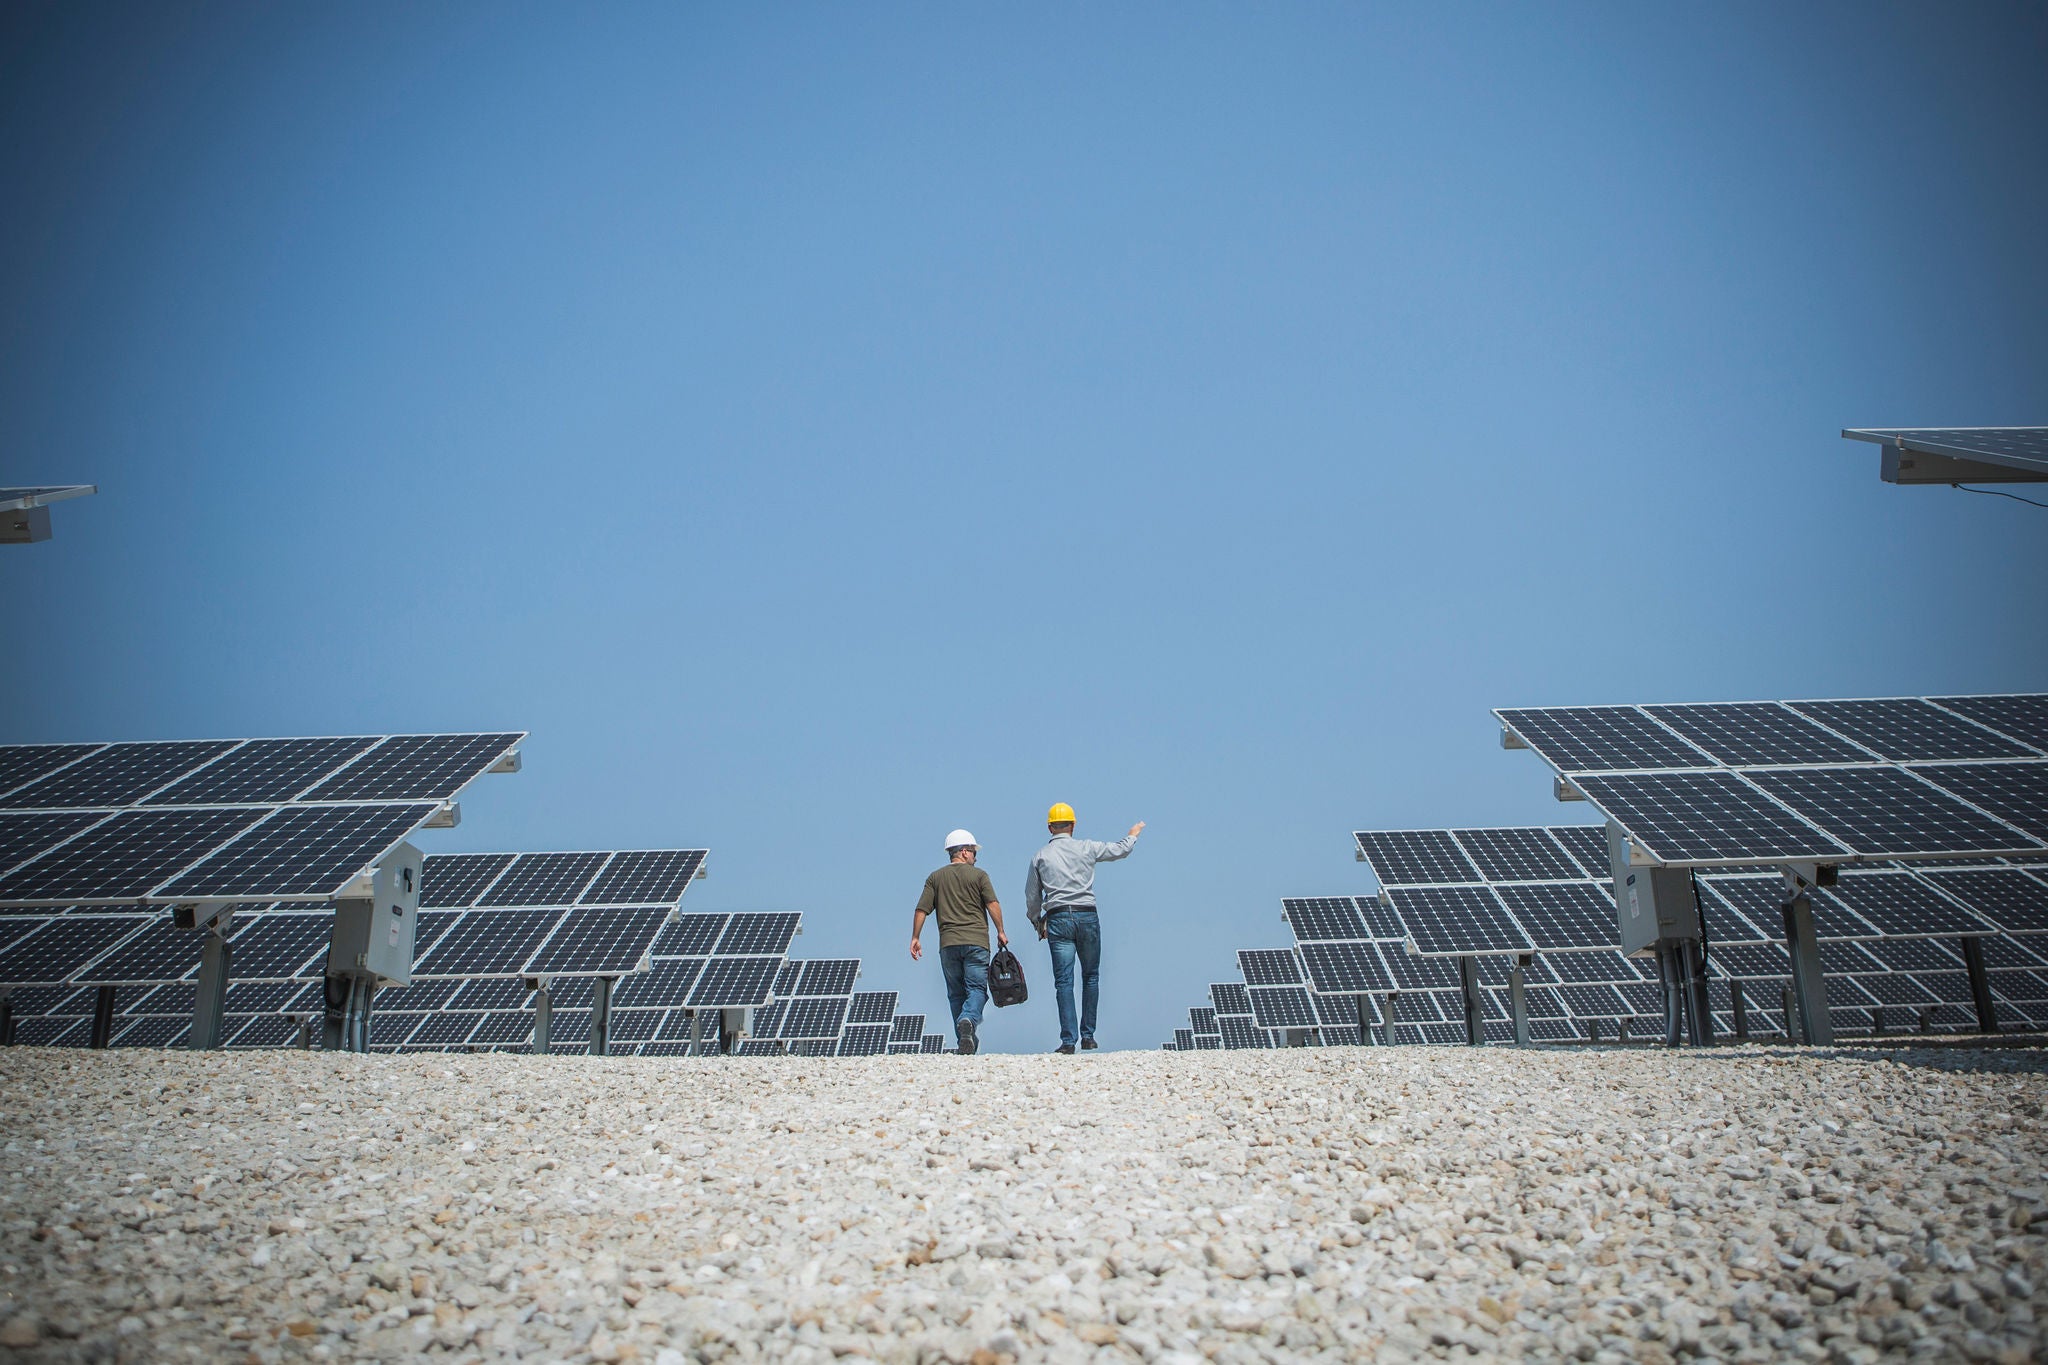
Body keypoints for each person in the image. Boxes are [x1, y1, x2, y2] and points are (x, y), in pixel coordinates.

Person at [1024, 803, 1144, 1054]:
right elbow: (1120, 850)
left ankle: (1069, 1041)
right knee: (1091, 976)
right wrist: (1133, 833)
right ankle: (1088, 1036)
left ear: (1049, 827)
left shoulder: (1040, 856)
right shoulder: (1087, 847)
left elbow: (1032, 896)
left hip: (1057, 919)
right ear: (1074, 825)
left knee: (1063, 982)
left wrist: (1038, 922)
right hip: (1087, 916)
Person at [910, 829, 1008, 1055]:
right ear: (964, 852)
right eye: (974, 852)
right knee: (977, 990)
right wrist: (1001, 930)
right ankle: (968, 1020)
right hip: (976, 943)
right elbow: (992, 904)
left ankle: (965, 1041)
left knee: (955, 994)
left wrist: (916, 937)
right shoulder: (979, 876)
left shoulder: (935, 878)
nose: (975, 857)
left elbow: (921, 909)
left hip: (948, 945)